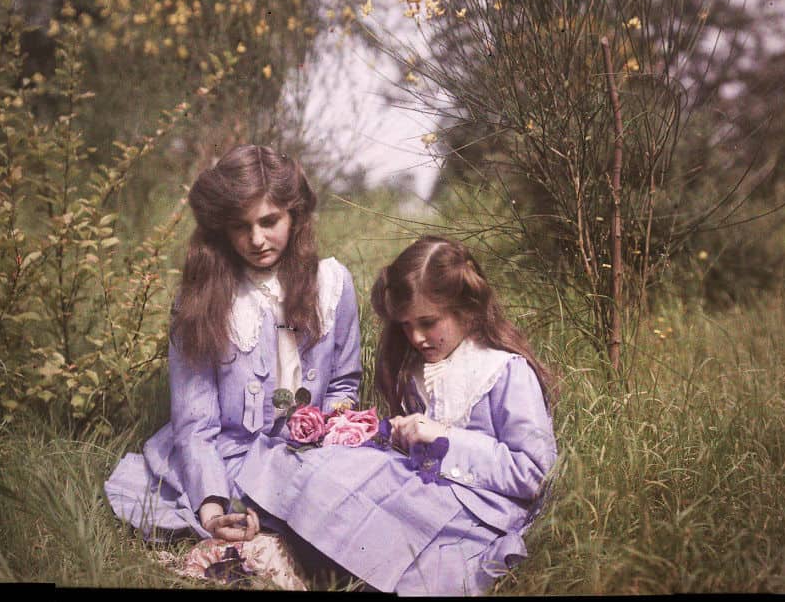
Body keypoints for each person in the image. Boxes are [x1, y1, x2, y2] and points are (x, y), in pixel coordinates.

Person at [235, 235, 558, 595]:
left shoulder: (503, 370)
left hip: (475, 508)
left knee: (405, 549)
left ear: (467, 309)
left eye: (428, 322)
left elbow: (534, 472)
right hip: (423, 488)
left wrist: (443, 438)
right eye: (405, 325)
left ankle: (326, 561)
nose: (416, 337)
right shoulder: (421, 367)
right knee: (330, 466)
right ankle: (288, 537)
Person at [104, 144, 363, 550]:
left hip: (309, 456)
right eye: (240, 226)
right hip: (230, 456)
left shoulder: (332, 284)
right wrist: (211, 508)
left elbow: (344, 386)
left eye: (269, 221)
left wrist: (324, 439)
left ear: (294, 215)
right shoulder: (204, 297)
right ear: (221, 229)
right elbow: (195, 419)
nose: (256, 239)